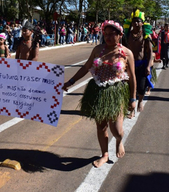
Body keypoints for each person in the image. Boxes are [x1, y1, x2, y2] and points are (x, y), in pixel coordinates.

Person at [62, 20, 136, 168]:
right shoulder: (98, 49)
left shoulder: (127, 53)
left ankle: (119, 140)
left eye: (111, 34)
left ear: (120, 35)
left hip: (116, 93)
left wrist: (133, 99)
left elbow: (132, 77)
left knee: (117, 129)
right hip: (98, 91)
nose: (107, 37)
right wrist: (70, 81)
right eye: (105, 34)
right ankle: (104, 154)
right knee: (101, 126)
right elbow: (86, 67)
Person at [123, 9, 152, 113]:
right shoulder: (126, 35)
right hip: (129, 65)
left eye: (138, 21)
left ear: (142, 23)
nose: (136, 23)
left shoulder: (146, 35)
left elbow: (149, 52)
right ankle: (131, 107)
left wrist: (148, 66)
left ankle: (140, 101)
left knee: (141, 86)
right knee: (129, 87)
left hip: (141, 64)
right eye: (134, 21)